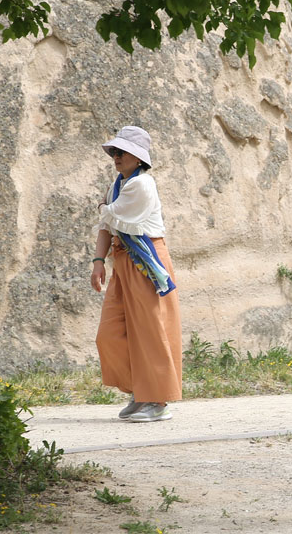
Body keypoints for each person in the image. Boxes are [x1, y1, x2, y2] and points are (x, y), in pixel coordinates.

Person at [91, 126, 182, 422]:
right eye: (114, 152)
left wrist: (104, 207)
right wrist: (98, 261)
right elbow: (107, 224)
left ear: (138, 157)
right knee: (110, 333)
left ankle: (157, 400)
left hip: (145, 261)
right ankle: (141, 391)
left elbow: (114, 215)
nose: (116, 157)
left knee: (150, 331)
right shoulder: (118, 183)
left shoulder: (142, 185)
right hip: (122, 260)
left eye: (122, 152)